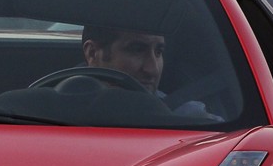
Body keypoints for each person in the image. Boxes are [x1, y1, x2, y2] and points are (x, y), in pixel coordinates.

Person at [80, 26, 218, 119]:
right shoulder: (61, 107)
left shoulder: (186, 117)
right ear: (93, 53)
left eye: (158, 52)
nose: (152, 69)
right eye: (137, 49)